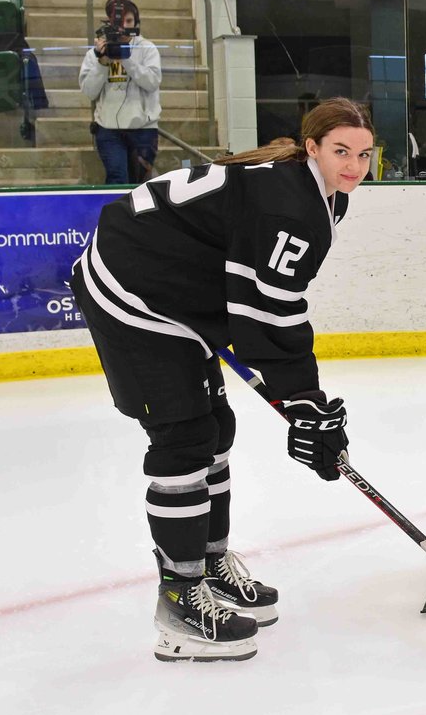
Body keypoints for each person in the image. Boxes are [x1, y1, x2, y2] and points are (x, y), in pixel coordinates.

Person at [69, 98, 375, 661]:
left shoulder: (321, 197)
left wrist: (302, 402)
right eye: (341, 152)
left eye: (363, 154)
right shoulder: (291, 205)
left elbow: (254, 292)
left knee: (217, 428)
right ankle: (179, 600)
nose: (354, 166)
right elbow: (270, 312)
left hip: (179, 294)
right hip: (133, 292)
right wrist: (306, 402)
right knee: (184, 437)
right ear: (311, 148)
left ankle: (209, 567)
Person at [79, 0, 162, 183]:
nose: (124, 26)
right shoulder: (95, 54)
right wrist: (102, 63)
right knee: (117, 178)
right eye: (119, 21)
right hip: (108, 129)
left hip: (143, 129)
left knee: (141, 182)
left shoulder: (147, 49)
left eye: (129, 21)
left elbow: (152, 82)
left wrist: (126, 58)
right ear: (109, 22)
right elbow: (89, 92)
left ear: (136, 22)